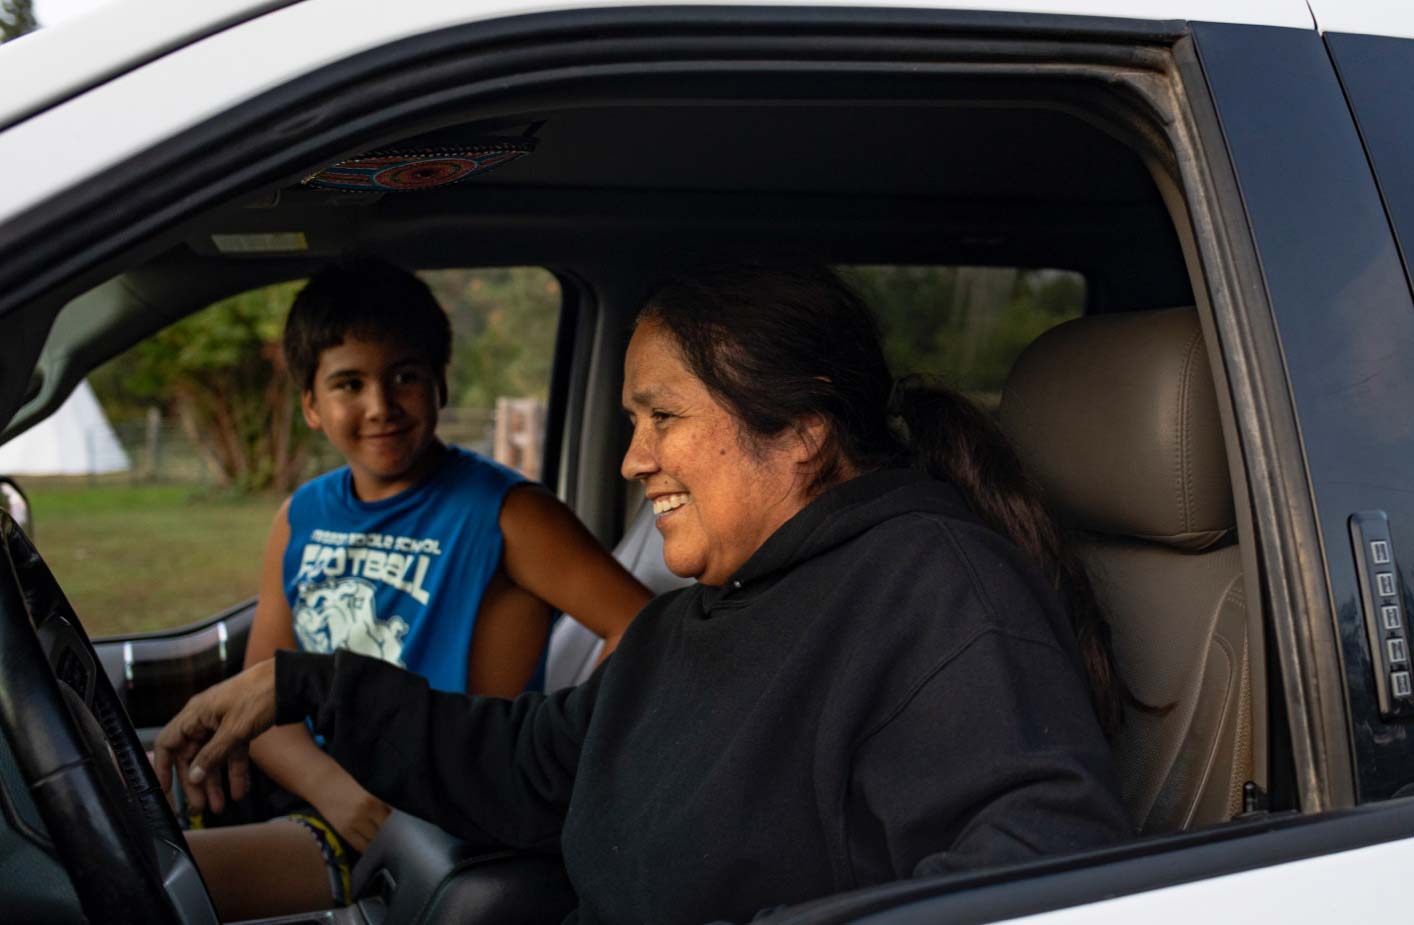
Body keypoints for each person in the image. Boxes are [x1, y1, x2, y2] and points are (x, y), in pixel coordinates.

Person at [157, 265, 1134, 925]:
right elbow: (534, 764)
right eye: (632, 420)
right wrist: (310, 687)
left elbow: (1038, 866)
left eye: (661, 416)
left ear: (800, 427)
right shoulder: (701, 614)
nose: (631, 459)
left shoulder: (931, 586)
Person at [184, 258, 651, 921]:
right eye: (349, 383)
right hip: (322, 791)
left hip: (423, 810)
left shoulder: (506, 511)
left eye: (404, 375)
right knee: (111, 791)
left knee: (139, 880)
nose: (381, 406)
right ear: (312, 404)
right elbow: (267, 690)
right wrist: (334, 790)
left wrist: (554, 754)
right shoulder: (301, 515)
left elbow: (640, 624)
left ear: (439, 384)